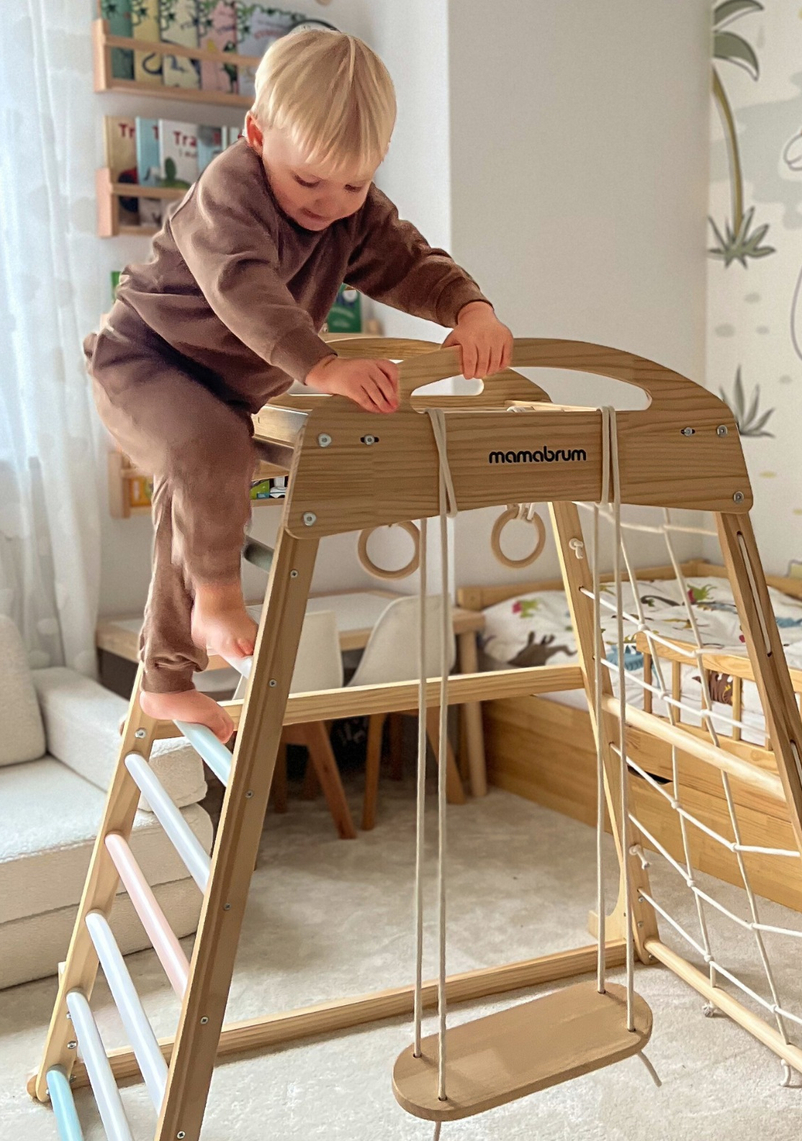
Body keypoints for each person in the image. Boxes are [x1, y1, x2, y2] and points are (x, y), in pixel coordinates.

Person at [86, 28, 512, 741]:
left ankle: (165, 678)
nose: (330, 202)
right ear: (258, 134)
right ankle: (218, 597)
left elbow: (411, 264)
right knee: (211, 446)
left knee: (197, 489)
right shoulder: (232, 189)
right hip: (143, 359)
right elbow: (243, 287)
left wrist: (471, 309)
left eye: (354, 183)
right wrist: (325, 367)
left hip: (222, 389)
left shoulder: (354, 213)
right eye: (309, 180)